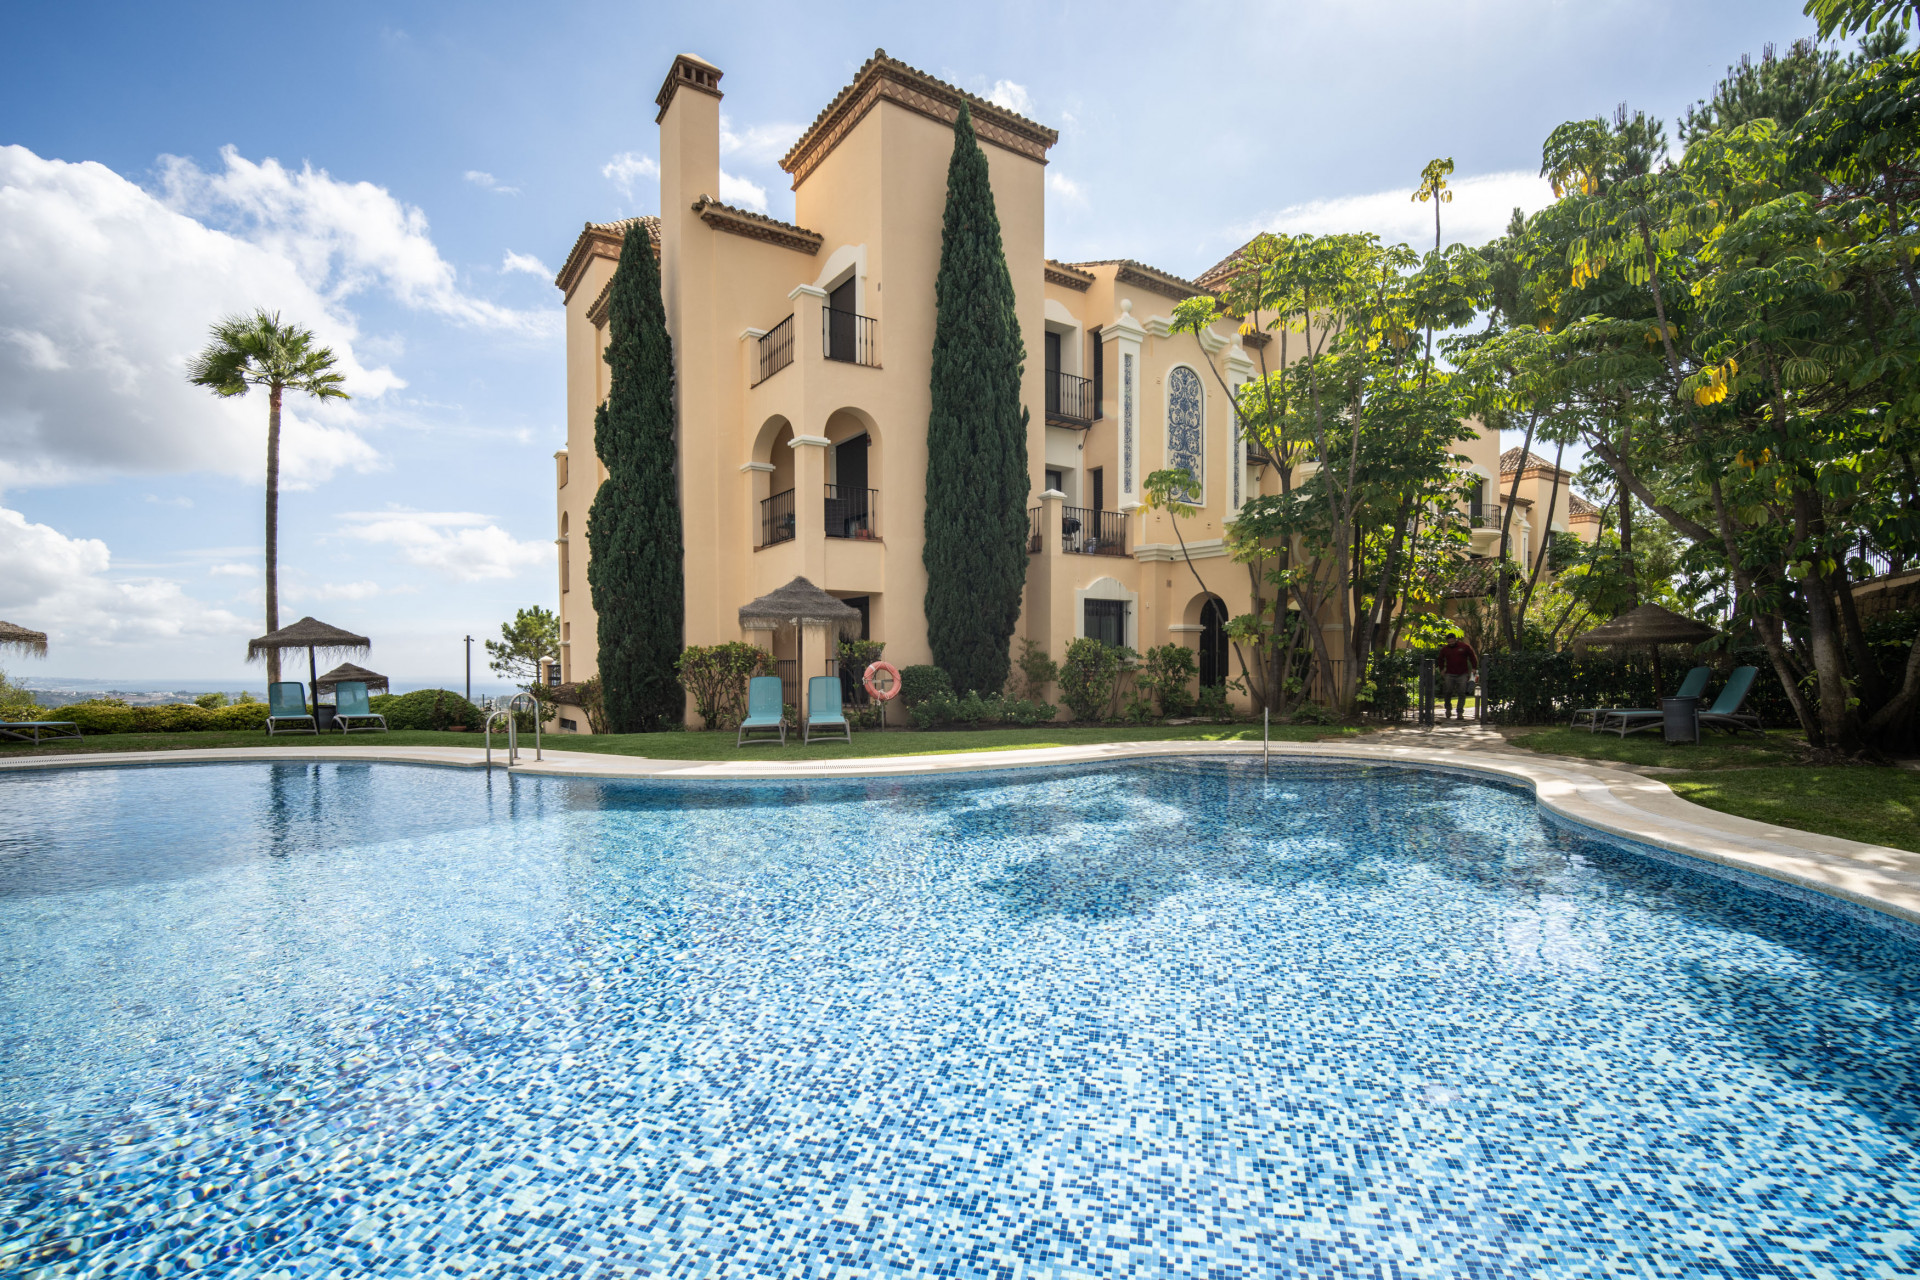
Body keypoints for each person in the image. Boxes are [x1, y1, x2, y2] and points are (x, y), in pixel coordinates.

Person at [1436, 632, 1478, 720]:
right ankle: (1448, 708)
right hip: (1449, 673)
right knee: (1448, 692)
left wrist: (1474, 667)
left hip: (1462, 673)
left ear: (1455, 639)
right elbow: (1440, 659)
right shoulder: (1445, 649)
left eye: (1452, 641)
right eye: (1449, 642)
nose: (1450, 643)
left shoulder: (1464, 647)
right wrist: (1442, 669)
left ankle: (1460, 712)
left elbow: (1472, 656)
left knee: (1461, 692)